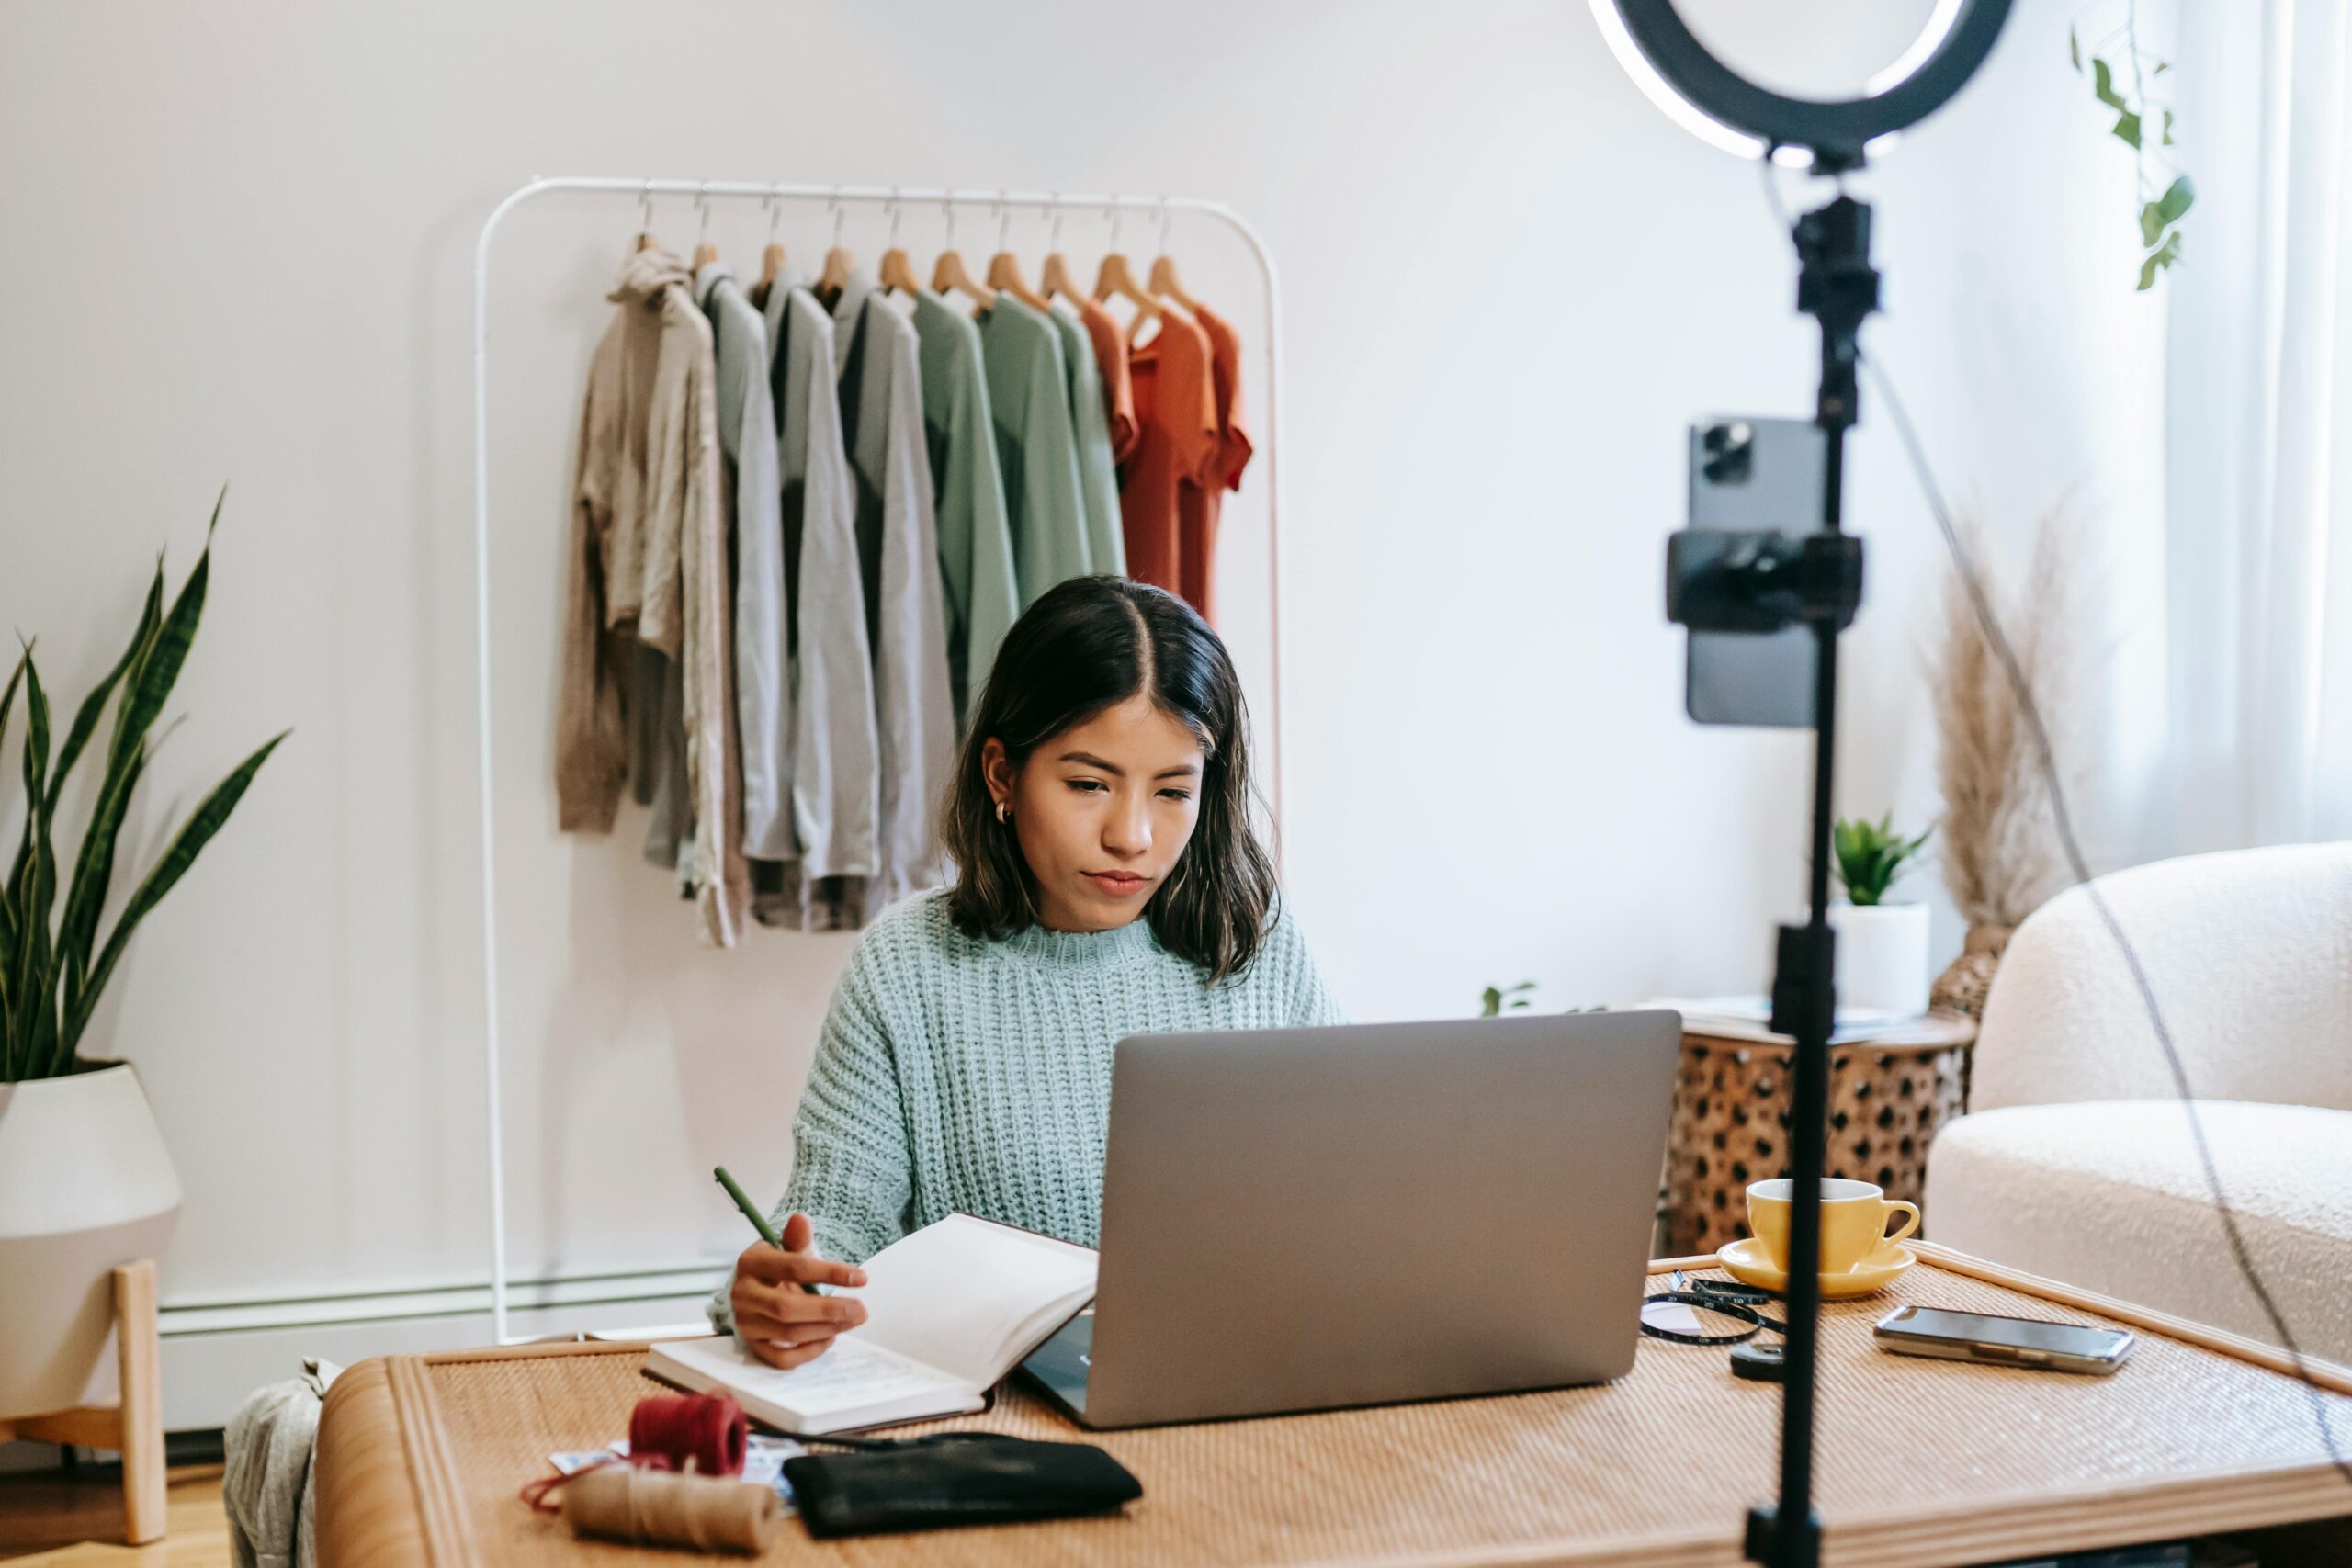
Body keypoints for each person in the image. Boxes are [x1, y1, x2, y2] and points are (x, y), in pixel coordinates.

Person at [718, 574, 1343, 1367]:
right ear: (1003, 775)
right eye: (1088, 784)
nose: (1133, 835)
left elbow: (1351, 1201)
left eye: (1174, 790)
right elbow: (834, 1230)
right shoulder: (906, 968)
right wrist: (783, 1295)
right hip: (1006, 1423)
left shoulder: (1253, 939)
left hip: (1248, 1389)